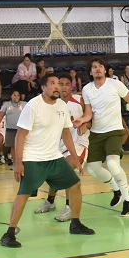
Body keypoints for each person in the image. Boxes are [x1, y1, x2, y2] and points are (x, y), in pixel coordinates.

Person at [2, 73, 90, 247]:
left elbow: (66, 132)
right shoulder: (33, 105)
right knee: (24, 194)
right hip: (33, 158)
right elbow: (20, 135)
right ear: (43, 88)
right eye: (52, 83)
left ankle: (76, 223)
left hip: (54, 156)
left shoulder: (62, 106)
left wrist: (74, 156)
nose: (57, 86)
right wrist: (18, 163)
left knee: (75, 184)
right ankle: (9, 233)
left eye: (58, 83)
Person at [81, 58, 129, 217]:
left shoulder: (115, 84)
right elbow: (89, 113)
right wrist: (82, 120)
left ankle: (127, 199)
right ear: (90, 72)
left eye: (100, 66)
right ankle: (116, 190)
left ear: (105, 70)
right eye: (94, 67)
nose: (98, 69)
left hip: (114, 131)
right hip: (96, 133)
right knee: (92, 168)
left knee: (112, 164)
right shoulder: (87, 89)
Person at [35, 75, 88, 218]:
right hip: (59, 144)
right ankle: (50, 201)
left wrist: (84, 122)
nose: (63, 87)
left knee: (65, 169)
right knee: (55, 172)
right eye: (60, 84)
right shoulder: (54, 103)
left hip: (78, 142)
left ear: (72, 87)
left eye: (66, 84)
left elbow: (91, 118)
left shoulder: (79, 100)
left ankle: (69, 207)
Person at [0, 90, 26, 167]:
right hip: (10, 129)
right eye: (14, 95)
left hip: (21, 130)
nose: (16, 97)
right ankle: (15, 163)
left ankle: (23, 162)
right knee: (13, 146)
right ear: (11, 96)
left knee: (23, 146)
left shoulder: (24, 104)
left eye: (18, 95)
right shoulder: (6, 105)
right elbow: (0, 116)